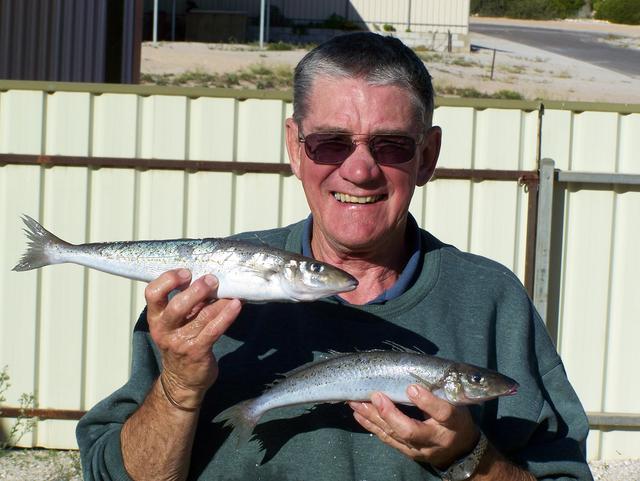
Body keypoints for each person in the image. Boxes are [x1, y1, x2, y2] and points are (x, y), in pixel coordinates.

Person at [76, 32, 594, 481]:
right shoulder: (205, 287)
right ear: (295, 149)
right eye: (330, 143)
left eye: (390, 146)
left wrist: (469, 459)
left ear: (428, 157)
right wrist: (179, 389)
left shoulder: (491, 298)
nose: (360, 170)